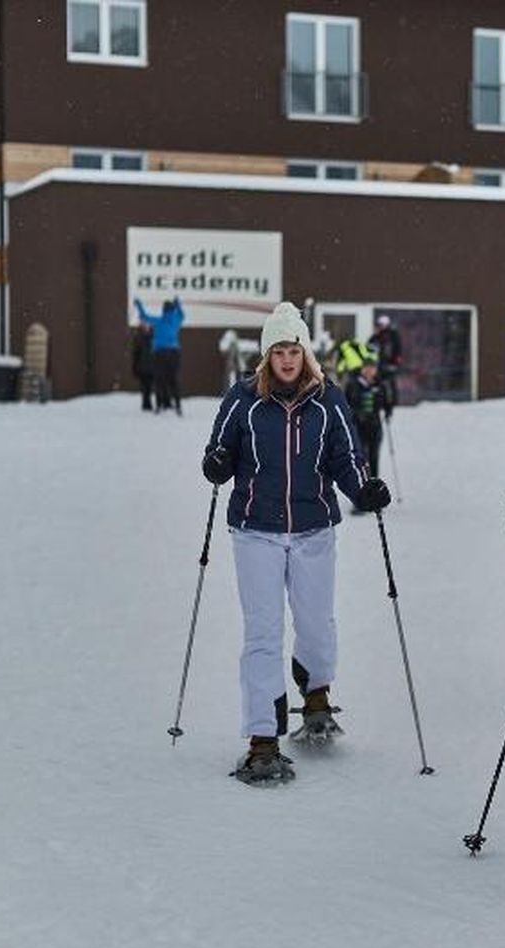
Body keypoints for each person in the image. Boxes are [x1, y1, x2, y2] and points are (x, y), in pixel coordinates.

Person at [201, 301, 392, 786]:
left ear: (305, 353)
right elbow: (218, 449)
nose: (287, 359)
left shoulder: (328, 401)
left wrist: (363, 489)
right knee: (262, 631)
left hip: (313, 528)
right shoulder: (243, 399)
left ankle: (316, 696)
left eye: (294, 350)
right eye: (278, 351)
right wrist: (218, 463)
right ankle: (263, 738)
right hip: (255, 529)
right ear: (267, 356)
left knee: (316, 623)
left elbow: (347, 457)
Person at [343, 346, 393, 500]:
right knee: (361, 460)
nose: (369, 371)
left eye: (372, 368)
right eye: (367, 367)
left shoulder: (380, 385)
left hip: (375, 426)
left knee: (373, 458)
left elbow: (387, 402)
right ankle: (362, 493)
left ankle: (375, 493)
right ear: (362, 368)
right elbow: (345, 403)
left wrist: (388, 409)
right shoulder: (353, 384)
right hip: (358, 426)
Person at [134, 296, 185, 414]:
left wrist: (139, 305)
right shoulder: (176, 320)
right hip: (174, 353)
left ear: (163, 310)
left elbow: (144, 316)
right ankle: (178, 406)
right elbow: (182, 315)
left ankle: (159, 406)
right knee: (173, 380)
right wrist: (178, 304)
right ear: (172, 310)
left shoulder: (158, 321)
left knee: (159, 380)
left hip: (160, 353)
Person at [367, 314, 403, 406]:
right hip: (379, 363)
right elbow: (369, 346)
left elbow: (397, 349)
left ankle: (392, 401)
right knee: (378, 382)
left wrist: (396, 361)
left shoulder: (392, 335)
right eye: (379, 325)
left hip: (389, 363)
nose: (380, 327)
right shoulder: (377, 336)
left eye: (381, 324)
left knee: (390, 382)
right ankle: (381, 401)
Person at [131, 321, 155, 411]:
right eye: (144, 324)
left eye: (147, 324)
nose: (145, 326)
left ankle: (161, 404)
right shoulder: (138, 337)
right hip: (143, 367)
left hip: (153, 366)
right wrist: (135, 367)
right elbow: (136, 354)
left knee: (157, 387)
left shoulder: (155, 336)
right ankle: (146, 405)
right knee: (145, 388)